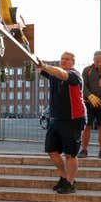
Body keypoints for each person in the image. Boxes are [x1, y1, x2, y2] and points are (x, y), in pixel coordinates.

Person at [37, 52, 86, 194]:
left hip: (73, 119)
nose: (63, 61)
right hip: (55, 119)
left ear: (73, 62)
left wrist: (45, 65)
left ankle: (70, 182)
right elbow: (39, 69)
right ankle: (64, 177)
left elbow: (62, 74)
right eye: (62, 59)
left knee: (70, 154)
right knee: (51, 150)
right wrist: (33, 59)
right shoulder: (55, 74)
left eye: (67, 59)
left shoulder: (74, 75)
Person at [78, 50, 101, 158]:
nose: (99, 63)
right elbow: (83, 86)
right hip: (89, 103)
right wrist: (90, 96)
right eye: (97, 61)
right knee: (87, 126)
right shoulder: (87, 70)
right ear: (94, 60)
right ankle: (84, 150)